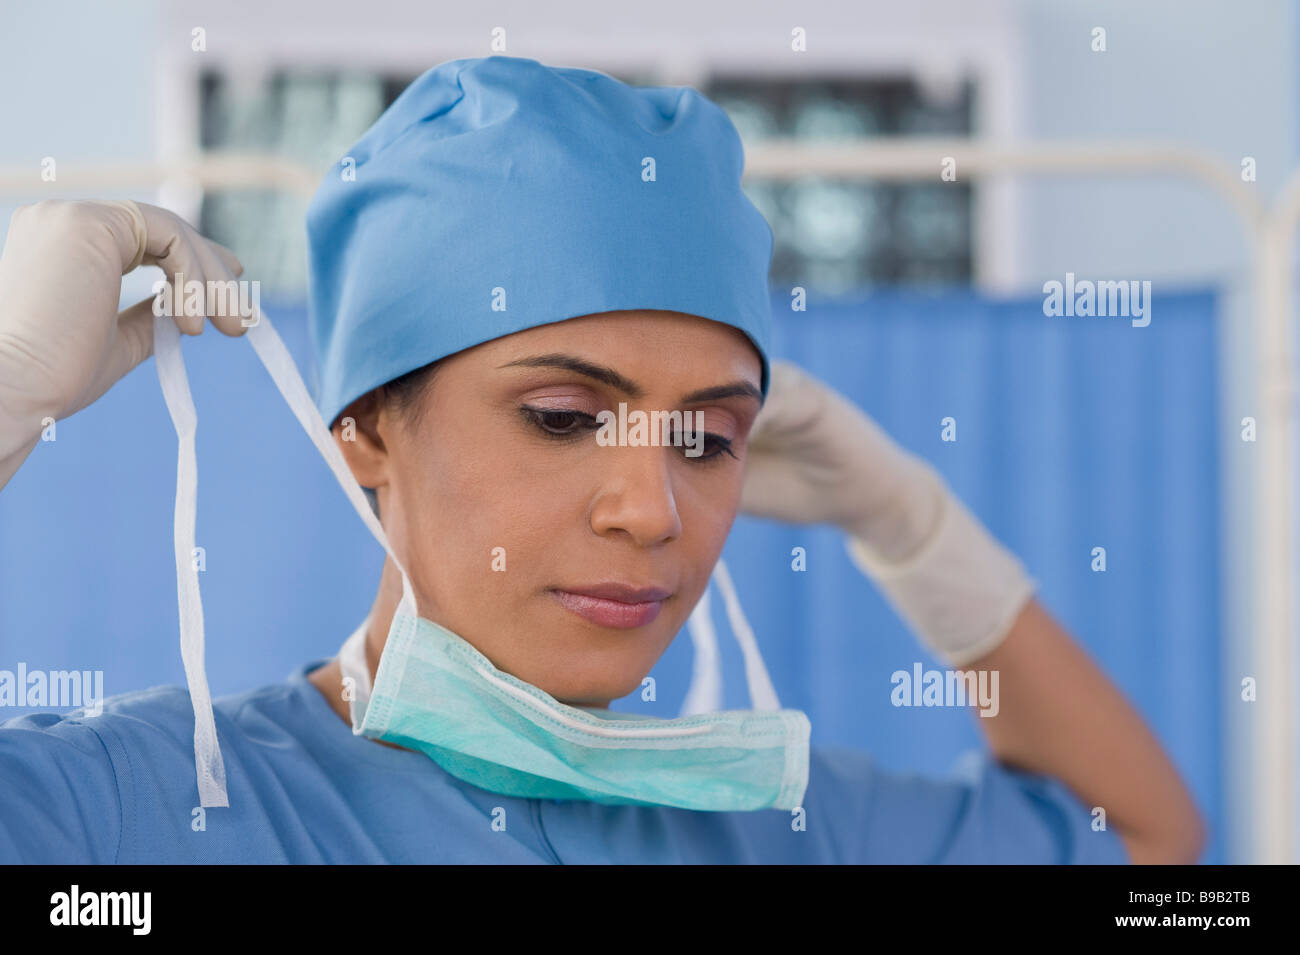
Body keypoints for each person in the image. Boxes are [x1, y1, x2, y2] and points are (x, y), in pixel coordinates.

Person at [0, 55, 1205, 864]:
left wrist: (913, 527)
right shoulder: (150, 813)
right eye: (565, 417)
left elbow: (1149, 852)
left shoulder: (776, 826)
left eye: (707, 438)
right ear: (363, 429)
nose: (652, 509)